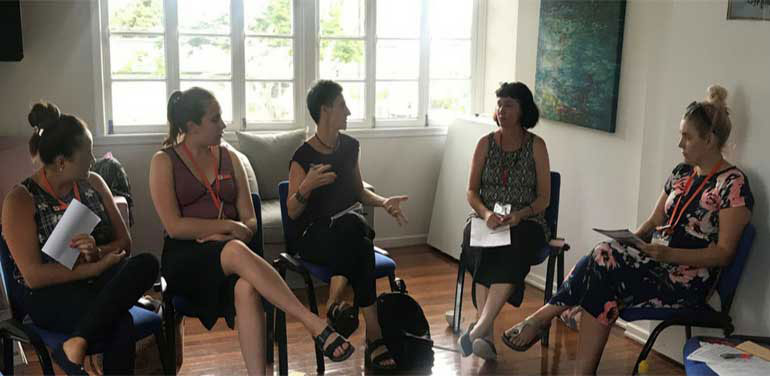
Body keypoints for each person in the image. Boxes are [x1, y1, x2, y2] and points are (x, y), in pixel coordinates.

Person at [501, 85, 753, 375]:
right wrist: (632, 241)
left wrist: (667, 254)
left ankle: (545, 317)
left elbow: (724, 254)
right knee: (604, 263)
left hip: (688, 280)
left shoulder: (732, 184)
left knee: (602, 262)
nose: (679, 143)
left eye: (686, 136)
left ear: (709, 140)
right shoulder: (682, 173)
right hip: (656, 262)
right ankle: (575, 360)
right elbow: (654, 221)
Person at [148, 87, 354, 376]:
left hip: (232, 251)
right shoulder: (164, 161)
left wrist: (231, 233)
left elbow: (250, 220)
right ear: (192, 126)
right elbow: (174, 226)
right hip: (187, 258)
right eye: (215, 119)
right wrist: (227, 227)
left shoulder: (229, 157)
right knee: (233, 252)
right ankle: (313, 323)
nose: (223, 125)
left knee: (246, 288)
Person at [1, 102, 159, 375]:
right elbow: (34, 277)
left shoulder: (95, 183)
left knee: (148, 263)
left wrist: (97, 251)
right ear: (62, 162)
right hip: (48, 293)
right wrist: (93, 267)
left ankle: (77, 342)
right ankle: (77, 343)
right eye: (87, 153)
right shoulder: (21, 199)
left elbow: (125, 244)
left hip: (96, 281)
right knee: (119, 324)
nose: (94, 160)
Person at [286, 80, 409, 371]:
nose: (349, 111)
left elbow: (359, 192)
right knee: (357, 231)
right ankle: (373, 337)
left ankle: (333, 308)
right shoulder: (302, 157)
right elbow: (291, 212)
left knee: (356, 232)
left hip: (347, 236)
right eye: (343, 105)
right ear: (325, 110)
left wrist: (383, 202)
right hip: (313, 237)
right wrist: (307, 186)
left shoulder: (351, 146)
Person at [456, 82, 551, 360]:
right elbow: (472, 191)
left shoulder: (537, 146)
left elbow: (544, 198)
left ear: (523, 109)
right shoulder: (485, 144)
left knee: (513, 244)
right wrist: (486, 215)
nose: (501, 110)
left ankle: (480, 329)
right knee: (477, 240)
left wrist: (518, 215)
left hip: (526, 221)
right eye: (499, 104)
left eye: (508, 104)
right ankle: (484, 334)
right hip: (489, 219)